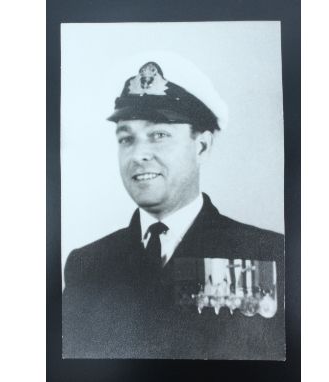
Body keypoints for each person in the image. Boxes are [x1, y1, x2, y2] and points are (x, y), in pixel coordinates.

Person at [62, 60, 285, 360]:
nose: (139, 154)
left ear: (202, 146)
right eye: (127, 139)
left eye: (159, 135)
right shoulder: (87, 265)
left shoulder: (268, 254)